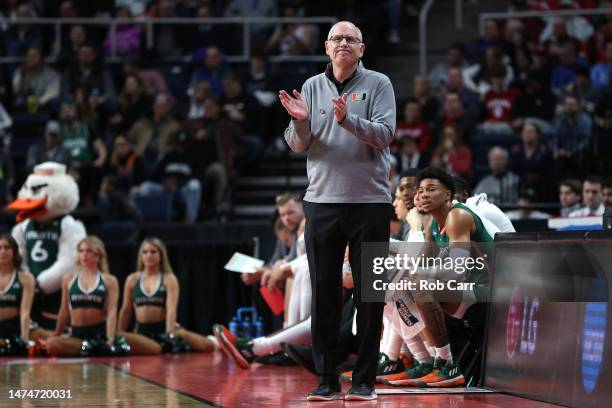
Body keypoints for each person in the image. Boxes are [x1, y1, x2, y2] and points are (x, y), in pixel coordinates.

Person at [279, 21, 396, 401]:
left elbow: (385, 135)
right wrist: (299, 121)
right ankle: (326, 381)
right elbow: (298, 145)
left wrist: (348, 121)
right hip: (322, 202)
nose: (343, 43)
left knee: (369, 295)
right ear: (327, 48)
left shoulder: (379, 83)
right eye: (337, 39)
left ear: (362, 49)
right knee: (325, 295)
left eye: (351, 39)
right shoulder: (312, 86)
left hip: (371, 203)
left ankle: (364, 381)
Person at [118, 238, 217, 354]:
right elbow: (126, 310)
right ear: (140, 256)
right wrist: (119, 332)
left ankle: (215, 340)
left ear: (161, 256)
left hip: (164, 329)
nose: (148, 255)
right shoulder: (132, 279)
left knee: (209, 347)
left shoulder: (169, 279)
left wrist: (169, 335)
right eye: (145, 252)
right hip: (141, 333)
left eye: (153, 252)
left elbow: (171, 310)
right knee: (153, 349)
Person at [45, 236, 123, 357]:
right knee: (51, 344)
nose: (84, 255)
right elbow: (64, 310)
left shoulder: (109, 280)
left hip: (99, 332)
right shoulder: (68, 278)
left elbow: (112, 312)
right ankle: (90, 348)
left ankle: (97, 347)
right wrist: (57, 333)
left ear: (98, 255)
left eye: (89, 251)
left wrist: (110, 338)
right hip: (77, 334)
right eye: (81, 251)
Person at [0, 234, 47, 354]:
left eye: (7, 248)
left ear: (14, 251)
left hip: (17, 326)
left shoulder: (25, 278)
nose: (3, 251)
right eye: (0, 248)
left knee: (51, 342)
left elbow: (25, 312)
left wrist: (24, 342)